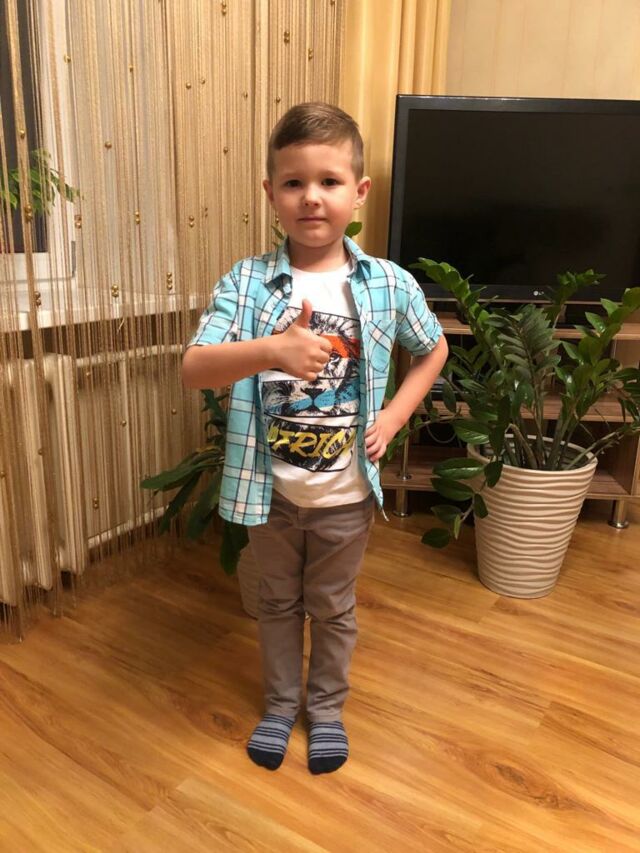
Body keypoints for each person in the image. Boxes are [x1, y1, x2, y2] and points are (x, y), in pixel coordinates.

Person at [182, 102, 448, 775]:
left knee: (332, 608)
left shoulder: (388, 283)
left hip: (345, 497)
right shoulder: (246, 282)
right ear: (271, 193)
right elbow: (194, 368)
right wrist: (273, 349)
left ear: (359, 192)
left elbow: (433, 349)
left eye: (329, 181)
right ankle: (279, 705)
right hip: (269, 493)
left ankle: (325, 711)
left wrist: (394, 417)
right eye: (294, 182)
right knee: (276, 603)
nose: (311, 197)